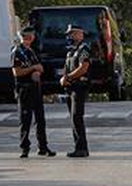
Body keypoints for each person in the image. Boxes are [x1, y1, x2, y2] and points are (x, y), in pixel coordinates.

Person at [11, 27, 55, 158]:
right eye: (26, 36)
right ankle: (24, 148)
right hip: (25, 88)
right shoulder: (17, 51)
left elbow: (40, 67)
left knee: (40, 119)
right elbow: (16, 72)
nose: (29, 38)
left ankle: (43, 146)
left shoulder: (31, 51)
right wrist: (33, 68)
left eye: (31, 36)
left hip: (35, 88)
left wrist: (37, 70)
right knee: (25, 119)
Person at [60, 24, 91, 158]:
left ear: (80, 34)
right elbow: (67, 67)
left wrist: (68, 77)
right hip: (70, 87)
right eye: (69, 34)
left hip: (79, 86)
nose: (70, 36)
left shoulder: (84, 49)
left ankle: (82, 148)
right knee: (73, 118)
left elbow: (83, 68)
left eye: (73, 33)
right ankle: (78, 147)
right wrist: (64, 78)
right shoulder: (71, 51)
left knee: (77, 117)